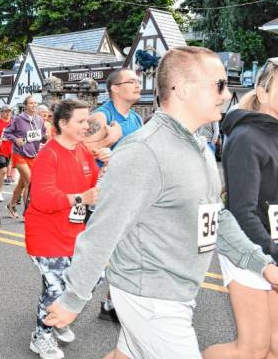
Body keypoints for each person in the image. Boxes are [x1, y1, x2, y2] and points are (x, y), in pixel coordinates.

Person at [43, 46, 278, 359]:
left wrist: (260, 264)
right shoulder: (145, 151)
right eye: (218, 85)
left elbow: (216, 218)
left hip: (176, 292)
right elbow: (102, 232)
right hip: (151, 297)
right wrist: (73, 299)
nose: (226, 95)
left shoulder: (199, 147)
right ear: (182, 89)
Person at [202, 58, 278, 359]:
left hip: (272, 248)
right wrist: (271, 257)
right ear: (262, 90)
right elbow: (242, 211)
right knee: (251, 349)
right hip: (250, 250)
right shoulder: (247, 137)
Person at [25, 100, 102, 359]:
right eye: (81, 121)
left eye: (87, 120)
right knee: (57, 288)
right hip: (45, 235)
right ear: (62, 124)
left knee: (87, 278)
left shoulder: (83, 150)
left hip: (74, 232)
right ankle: (41, 336)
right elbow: (43, 199)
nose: (87, 125)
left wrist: (108, 165)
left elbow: (95, 185)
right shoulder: (49, 154)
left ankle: (59, 316)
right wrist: (82, 197)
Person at [87, 68, 143, 323]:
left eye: (137, 80)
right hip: (104, 196)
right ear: (115, 88)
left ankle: (111, 303)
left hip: (131, 192)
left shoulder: (136, 119)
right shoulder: (102, 115)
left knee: (129, 251)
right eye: (130, 81)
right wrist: (108, 141)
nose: (137, 84)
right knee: (93, 256)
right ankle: (59, 302)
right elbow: (80, 148)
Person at [3, 96, 47, 219]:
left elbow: (42, 133)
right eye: (31, 103)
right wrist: (16, 140)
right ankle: (28, 212)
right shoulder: (18, 119)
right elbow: (7, 133)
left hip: (33, 154)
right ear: (26, 106)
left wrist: (45, 137)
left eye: (35, 103)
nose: (34, 105)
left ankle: (11, 205)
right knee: (30, 182)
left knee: (22, 184)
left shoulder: (39, 120)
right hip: (19, 154)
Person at [0, 106, 13, 194]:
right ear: (1, 112)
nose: (8, 113)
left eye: (9, 111)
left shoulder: (13, 122)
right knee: (3, 170)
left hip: (9, 150)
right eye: (5, 111)